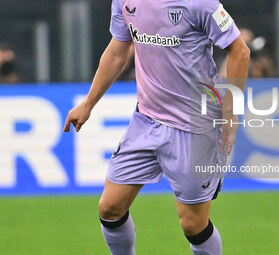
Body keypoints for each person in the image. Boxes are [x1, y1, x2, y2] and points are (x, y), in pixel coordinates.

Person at [64, 0, 249, 253]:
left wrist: (230, 110)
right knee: (110, 208)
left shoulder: (200, 4)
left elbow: (240, 51)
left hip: (195, 125)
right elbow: (118, 51)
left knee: (193, 224)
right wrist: (88, 104)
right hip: (146, 120)